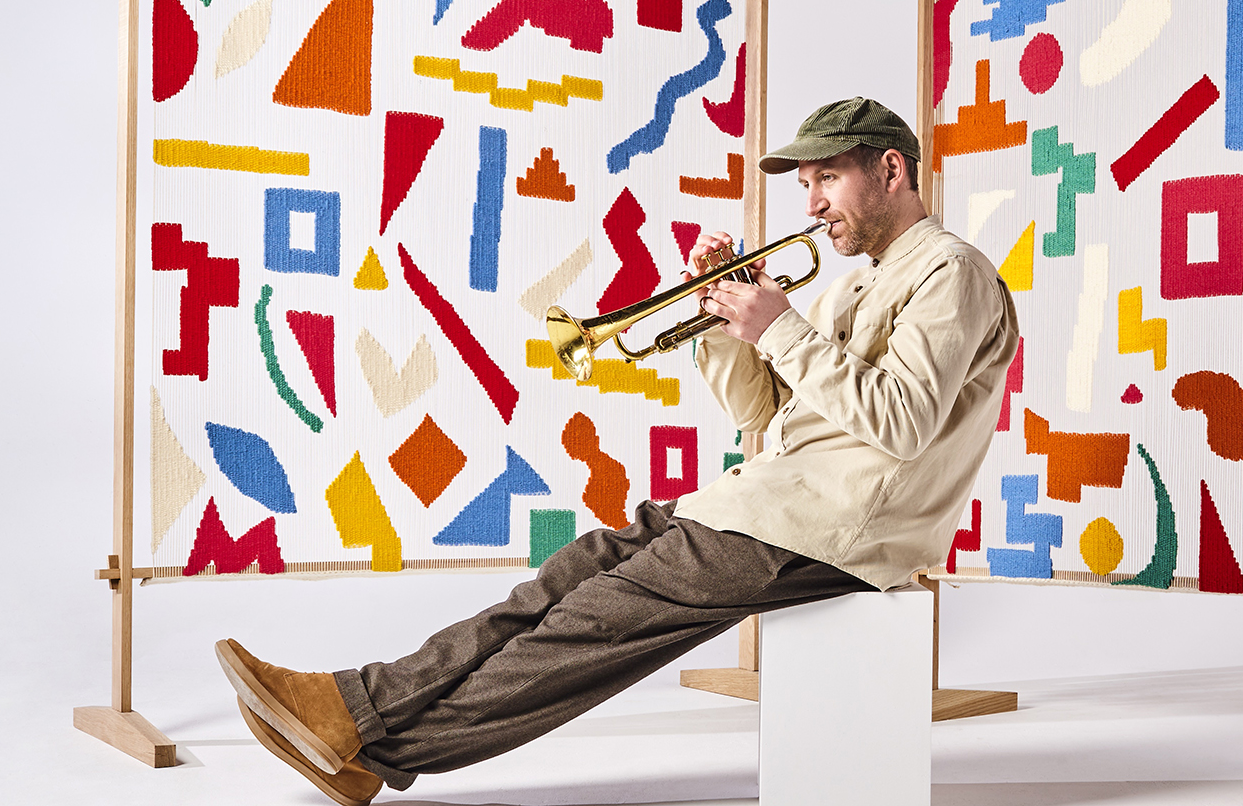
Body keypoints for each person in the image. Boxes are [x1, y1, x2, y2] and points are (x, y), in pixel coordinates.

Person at [215, 97, 1020, 805]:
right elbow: (767, 417)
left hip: (834, 527)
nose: (810, 204)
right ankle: (355, 711)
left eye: (826, 180)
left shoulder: (951, 271)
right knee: (568, 578)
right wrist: (724, 322)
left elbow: (905, 420)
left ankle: (367, 739)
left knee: (590, 628)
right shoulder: (857, 280)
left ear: (890, 170)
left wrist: (778, 323)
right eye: (803, 184)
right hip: (775, 500)